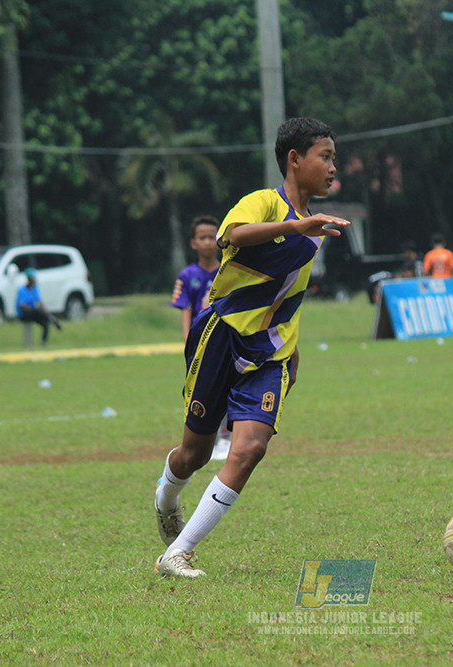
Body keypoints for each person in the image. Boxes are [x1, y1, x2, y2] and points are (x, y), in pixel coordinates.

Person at [153, 118, 350, 577]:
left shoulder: (313, 229)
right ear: (294, 160)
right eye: (325, 157)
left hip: (269, 354)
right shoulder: (263, 202)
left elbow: (286, 295)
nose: (332, 167)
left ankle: (177, 553)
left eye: (334, 159)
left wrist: (293, 352)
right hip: (220, 338)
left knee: (249, 448)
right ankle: (166, 495)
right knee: (194, 455)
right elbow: (231, 237)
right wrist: (298, 227)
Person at [172, 215, 231, 461]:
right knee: (202, 391)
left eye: (212, 237)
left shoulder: (229, 270)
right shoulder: (187, 275)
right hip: (201, 342)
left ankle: (225, 438)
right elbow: (186, 309)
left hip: (226, 339)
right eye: (202, 238)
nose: (208, 242)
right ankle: (207, 437)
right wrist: (188, 340)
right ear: (193, 243)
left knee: (228, 387)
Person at [17, 268, 60, 346]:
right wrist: (35, 310)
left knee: (45, 322)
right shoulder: (22, 290)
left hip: (34, 313)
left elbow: (39, 302)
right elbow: (21, 305)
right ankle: (53, 320)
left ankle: (44, 342)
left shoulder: (34, 289)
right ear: (29, 279)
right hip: (24, 313)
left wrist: (47, 312)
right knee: (37, 310)